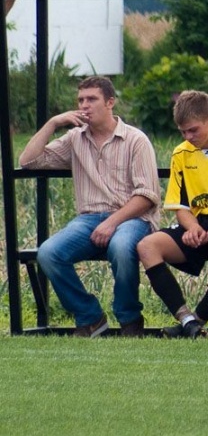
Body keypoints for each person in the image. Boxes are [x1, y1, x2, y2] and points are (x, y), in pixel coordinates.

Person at [20, 75, 159, 337]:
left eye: (92, 99)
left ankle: (130, 320)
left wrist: (112, 221)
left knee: (121, 245)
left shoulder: (135, 140)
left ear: (110, 102)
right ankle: (91, 317)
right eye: (80, 100)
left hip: (133, 218)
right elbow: (29, 162)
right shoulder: (75, 139)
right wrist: (53, 123)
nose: (84, 105)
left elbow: (147, 196)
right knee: (48, 253)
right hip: (88, 219)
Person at [137, 90, 208, 338]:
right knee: (147, 246)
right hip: (198, 228)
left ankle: (196, 322)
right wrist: (191, 228)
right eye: (183, 132)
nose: (188, 137)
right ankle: (186, 318)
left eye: (193, 130)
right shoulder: (181, 153)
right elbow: (180, 205)